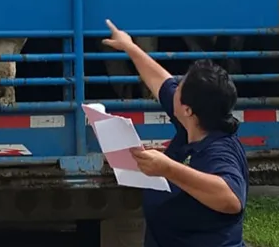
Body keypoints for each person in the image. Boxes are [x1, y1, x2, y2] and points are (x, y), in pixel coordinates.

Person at [102, 19, 248, 247]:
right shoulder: (191, 123)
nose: (174, 86)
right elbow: (159, 80)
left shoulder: (220, 150)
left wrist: (167, 168)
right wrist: (129, 46)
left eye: (179, 86)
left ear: (189, 109)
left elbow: (231, 199)